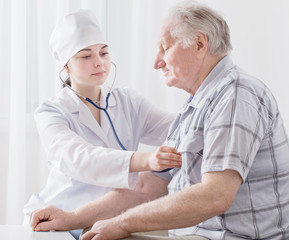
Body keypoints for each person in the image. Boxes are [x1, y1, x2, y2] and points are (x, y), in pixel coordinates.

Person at [30, 1, 289, 239]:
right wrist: (75, 217)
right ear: (66, 66)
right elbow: (144, 185)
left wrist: (123, 223)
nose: (156, 62)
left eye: (164, 48)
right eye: (85, 56)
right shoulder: (198, 104)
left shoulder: (233, 96)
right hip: (72, 207)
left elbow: (215, 195)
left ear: (199, 44)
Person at [24, 9, 182, 239]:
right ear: (66, 66)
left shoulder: (128, 101)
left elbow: (177, 129)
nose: (99, 63)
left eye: (104, 53)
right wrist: (147, 160)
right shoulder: (50, 112)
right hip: (59, 219)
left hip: (107, 218)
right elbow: (80, 158)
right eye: (86, 56)